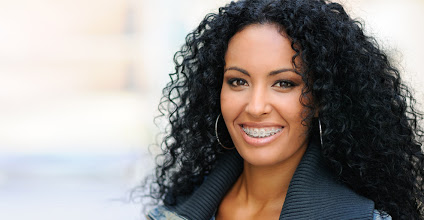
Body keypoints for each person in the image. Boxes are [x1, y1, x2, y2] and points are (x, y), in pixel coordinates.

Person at [143, 0, 424, 219]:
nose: (255, 107)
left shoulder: (362, 218)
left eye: (284, 83)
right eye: (238, 81)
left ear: (321, 100)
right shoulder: (171, 212)